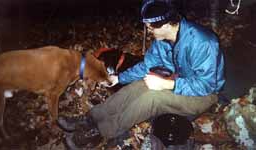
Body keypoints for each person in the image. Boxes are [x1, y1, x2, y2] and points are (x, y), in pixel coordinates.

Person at [58, 0, 225, 148]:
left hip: (204, 95)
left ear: (166, 25)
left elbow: (206, 85)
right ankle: (91, 118)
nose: (148, 30)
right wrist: (119, 78)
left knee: (153, 98)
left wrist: (168, 85)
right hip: (178, 81)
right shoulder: (163, 40)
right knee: (139, 85)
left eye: (150, 27)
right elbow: (147, 66)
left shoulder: (203, 42)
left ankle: (100, 133)